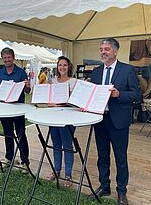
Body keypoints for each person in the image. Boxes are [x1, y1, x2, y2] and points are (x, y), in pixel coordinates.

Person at [89, 38, 141, 205]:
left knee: (120, 158)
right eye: (101, 49)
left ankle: (121, 192)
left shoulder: (127, 70)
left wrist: (119, 95)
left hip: (119, 122)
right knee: (102, 156)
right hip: (99, 120)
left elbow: (137, 95)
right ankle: (104, 186)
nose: (103, 52)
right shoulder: (96, 72)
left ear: (115, 51)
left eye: (107, 49)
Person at [0, 47, 31, 172]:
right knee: (8, 134)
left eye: (9, 57)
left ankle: (25, 162)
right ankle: (9, 158)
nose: (7, 60)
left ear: (13, 58)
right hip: (5, 109)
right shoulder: (0, 73)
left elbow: (27, 91)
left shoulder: (21, 72)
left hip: (18, 108)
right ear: (2, 58)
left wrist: (27, 87)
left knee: (21, 135)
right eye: (4, 58)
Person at [46, 56, 77, 187]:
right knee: (56, 144)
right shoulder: (52, 81)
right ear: (57, 67)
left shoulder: (74, 81)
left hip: (68, 118)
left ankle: (68, 175)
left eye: (65, 65)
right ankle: (56, 170)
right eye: (60, 65)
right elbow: (49, 99)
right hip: (54, 117)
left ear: (68, 67)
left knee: (67, 145)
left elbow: (75, 101)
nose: (62, 67)